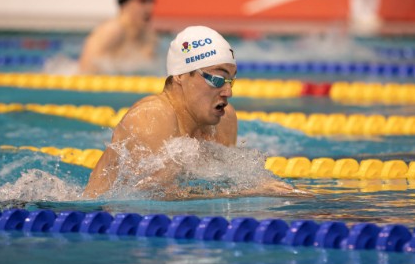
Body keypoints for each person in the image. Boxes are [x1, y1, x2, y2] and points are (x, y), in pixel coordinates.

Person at [84, 26, 307, 200]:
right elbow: (152, 197)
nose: (228, 91)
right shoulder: (152, 116)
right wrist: (249, 193)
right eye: (217, 79)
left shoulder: (224, 120)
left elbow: (222, 185)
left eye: (231, 80)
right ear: (181, 75)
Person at [79, 0, 157, 74]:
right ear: (125, 3)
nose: (149, 7)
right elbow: (84, 72)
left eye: (151, 0)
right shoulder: (111, 31)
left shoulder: (148, 36)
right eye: (142, 0)